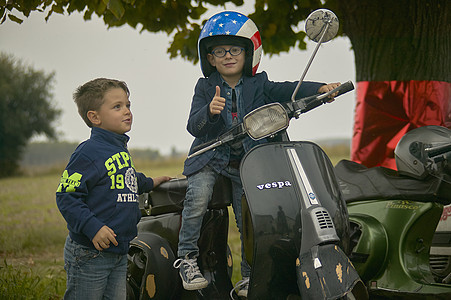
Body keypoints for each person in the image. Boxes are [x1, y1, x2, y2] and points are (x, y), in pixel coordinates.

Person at [174, 11, 341, 297]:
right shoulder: (205, 87)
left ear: (249, 51)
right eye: (220, 51)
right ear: (210, 58)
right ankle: (187, 259)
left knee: (251, 217)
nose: (228, 55)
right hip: (210, 158)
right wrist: (209, 112)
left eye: (235, 49)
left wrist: (321, 89)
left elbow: (289, 90)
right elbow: (193, 126)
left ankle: (250, 276)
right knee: (197, 199)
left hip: (247, 162)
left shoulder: (259, 84)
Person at [56, 78, 171, 299]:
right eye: (117, 106)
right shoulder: (88, 152)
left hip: (119, 250)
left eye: (128, 105)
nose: (127, 111)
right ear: (94, 117)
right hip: (91, 252)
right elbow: (66, 197)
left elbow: (126, 179)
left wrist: (150, 182)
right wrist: (93, 228)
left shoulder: (118, 149)